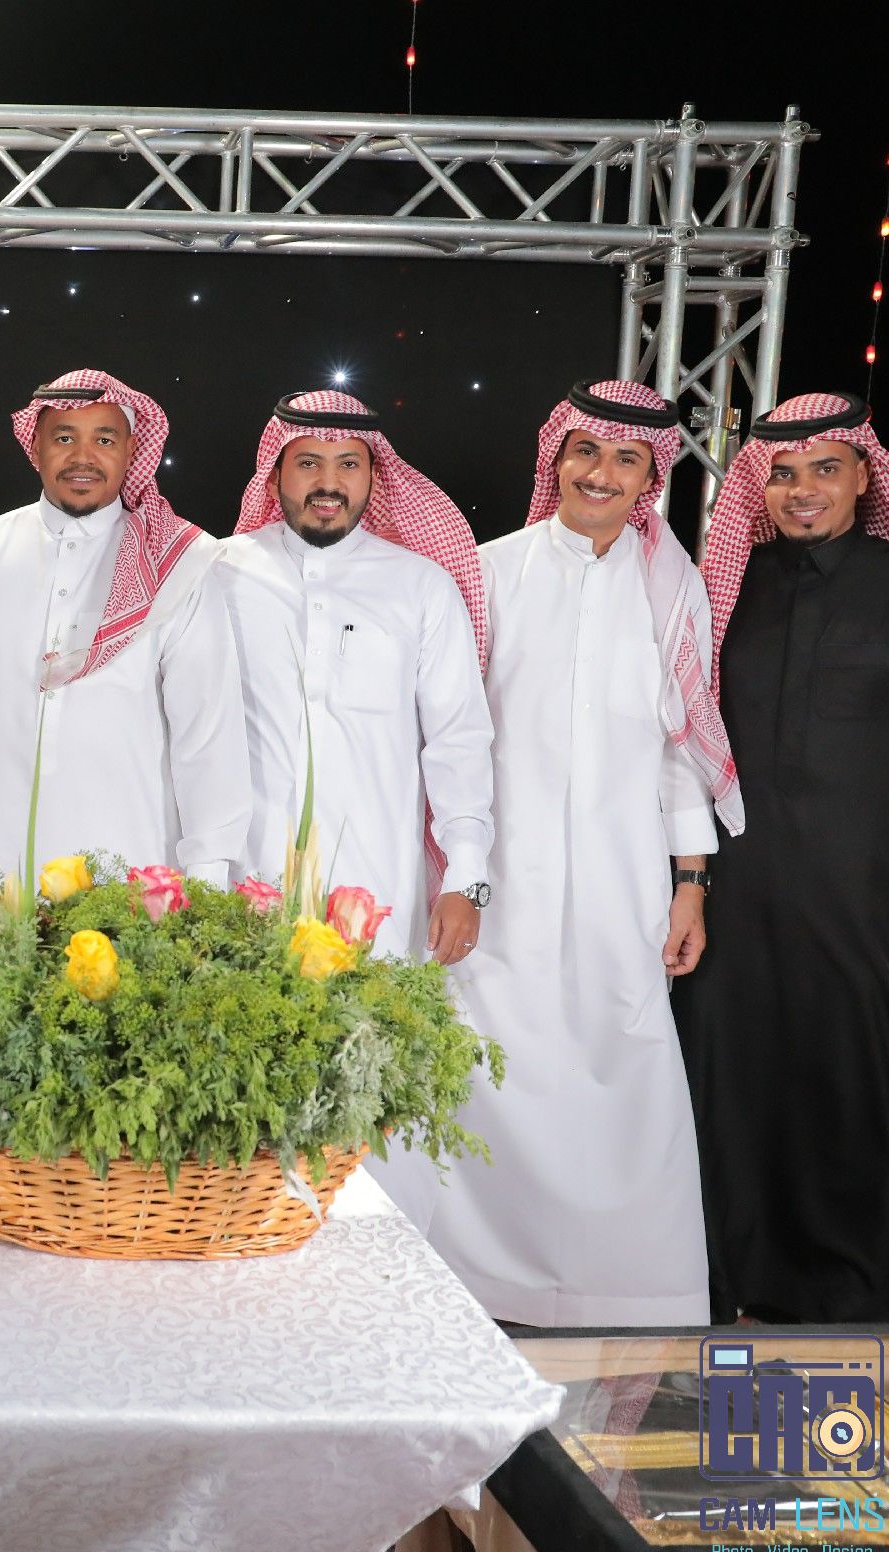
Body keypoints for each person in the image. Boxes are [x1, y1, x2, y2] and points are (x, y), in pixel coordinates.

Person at [385, 381, 738, 1325]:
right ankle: (469, 1289)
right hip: (498, 879)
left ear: (650, 479)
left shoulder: (672, 587)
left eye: (627, 460)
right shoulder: (487, 571)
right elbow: (447, 736)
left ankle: (622, 1294)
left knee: (624, 1071)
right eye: (587, 452)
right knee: (488, 1069)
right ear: (556, 459)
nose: (602, 474)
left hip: (624, 878)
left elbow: (680, 752)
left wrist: (691, 884)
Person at [672, 392, 889, 1323]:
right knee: (734, 1095)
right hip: (736, 900)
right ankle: (729, 1288)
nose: (801, 489)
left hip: (872, 898)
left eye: (824, 469)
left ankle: (881, 1307)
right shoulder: (723, 590)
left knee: (867, 1096)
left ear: (864, 477)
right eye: (780, 473)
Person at [0, 370, 248, 880]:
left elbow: (207, 733)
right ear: (35, 446)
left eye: (104, 440)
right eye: (64, 438)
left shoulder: (177, 566)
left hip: (130, 862)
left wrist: (208, 876)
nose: (83, 458)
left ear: (131, 451)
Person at [209, 389, 493, 961]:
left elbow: (457, 740)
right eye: (308, 462)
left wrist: (466, 877)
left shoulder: (422, 586)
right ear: (275, 474)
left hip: (375, 889)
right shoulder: (218, 572)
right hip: (240, 883)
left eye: (347, 464)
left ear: (374, 477)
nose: (328, 483)